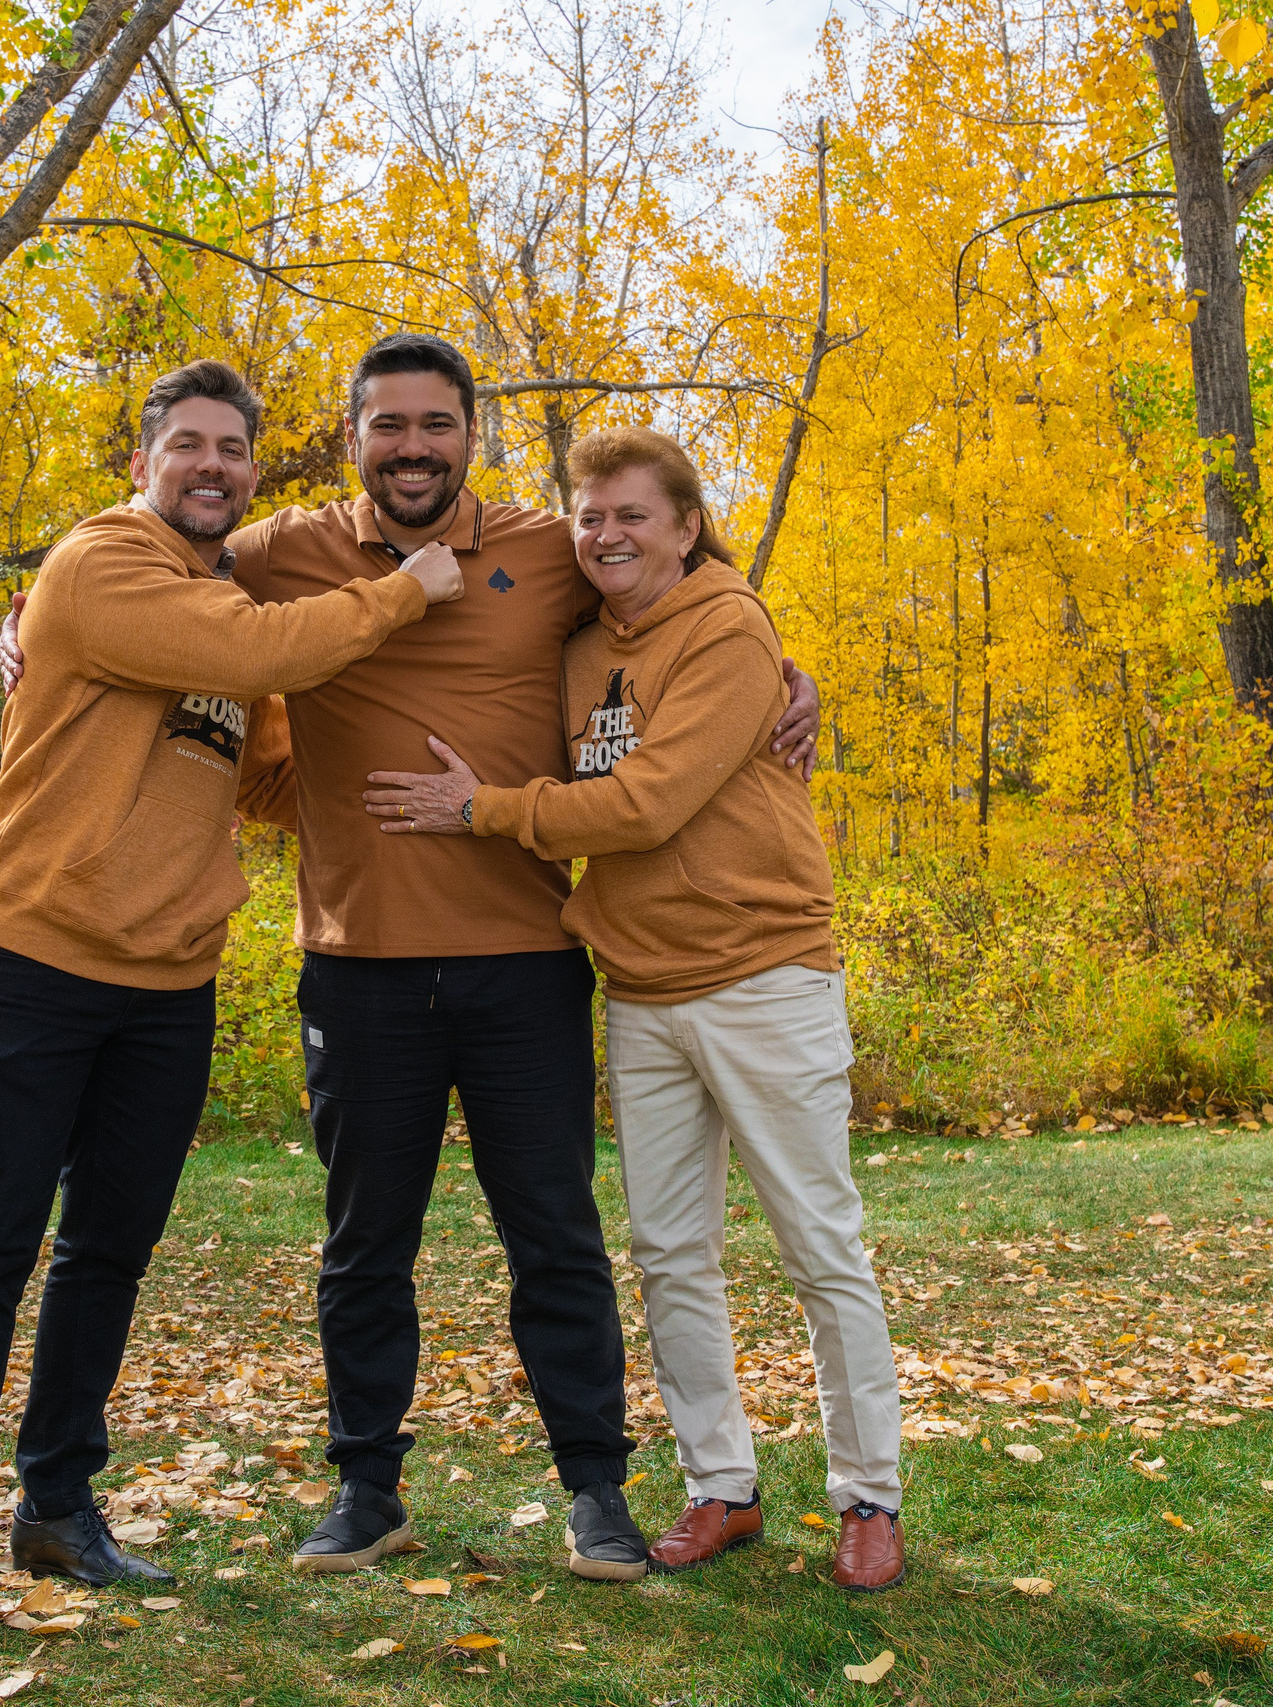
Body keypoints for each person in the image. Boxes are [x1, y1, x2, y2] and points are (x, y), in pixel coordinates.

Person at [0, 334, 822, 1585]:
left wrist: (786, 664)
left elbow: (673, 592)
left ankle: (596, 1488)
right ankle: (366, 1488)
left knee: (552, 1234)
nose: (414, 447)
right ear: (351, 439)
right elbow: (151, 562)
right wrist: (18, 619)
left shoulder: (547, 549)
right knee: (363, 1244)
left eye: (437, 425)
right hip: (357, 964)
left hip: (524, 959)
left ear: (469, 436)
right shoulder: (285, 556)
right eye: (389, 426)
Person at [0, 358, 467, 1661]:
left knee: (106, 1255)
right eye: (188, 445)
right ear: (142, 465)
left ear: (251, 473)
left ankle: (58, 1505)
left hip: (166, 984)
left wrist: (455, 797)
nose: (213, 466)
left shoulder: (216, 604)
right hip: (39, 954)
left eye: (233, 450)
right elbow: (261, 646)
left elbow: (263, 770)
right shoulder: (100, 567)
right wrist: (404, 592)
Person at [362, 423, 907, 1592]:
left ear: (686, 526)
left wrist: (484, 812)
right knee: (668, 1256)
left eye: (631, 515)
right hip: (642, 991)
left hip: (763, 972)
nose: (605, 534)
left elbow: (649, 802)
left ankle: (869, 1495)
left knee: (819, 1247)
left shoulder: (728, 627)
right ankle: (722, 1486)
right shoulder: (577, 640)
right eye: (588, 515)